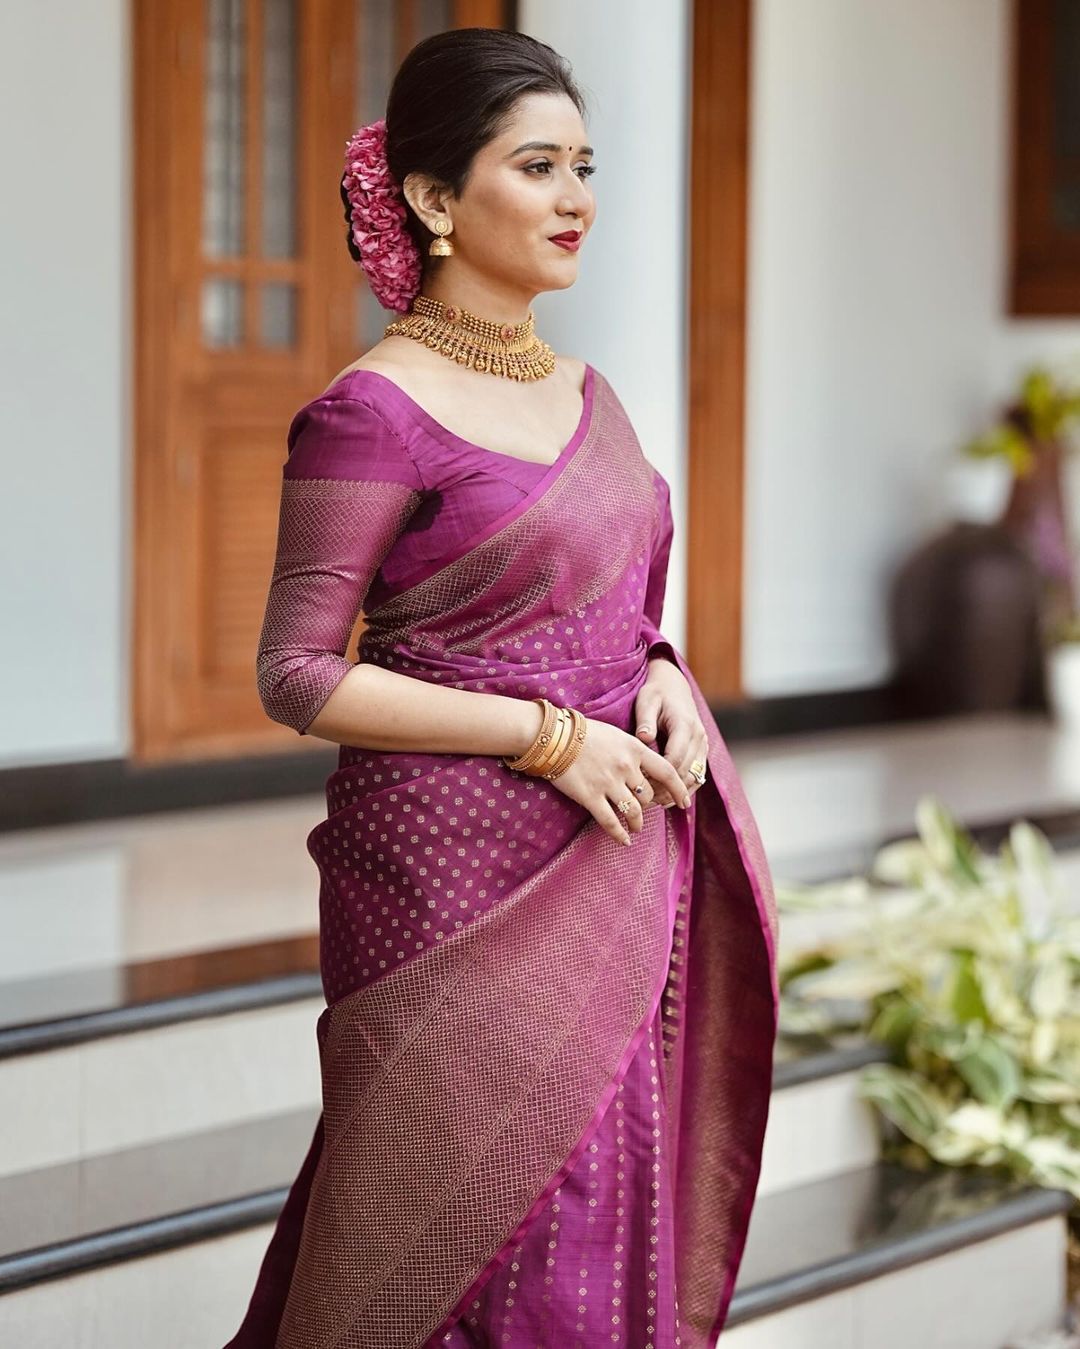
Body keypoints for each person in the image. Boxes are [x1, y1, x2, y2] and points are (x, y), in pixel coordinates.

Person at [225, 26, 778, 1349]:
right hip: (447, 872)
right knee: (453, 1215)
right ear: (433, 197)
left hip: (612, 845)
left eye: (585, 166)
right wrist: (546, 738)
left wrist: (662, 675)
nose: (576, 198)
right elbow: (296, 672)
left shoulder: (595, 398)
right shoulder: (373, 412)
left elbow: (619, 610)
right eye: (537, 167)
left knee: (595, 1207)